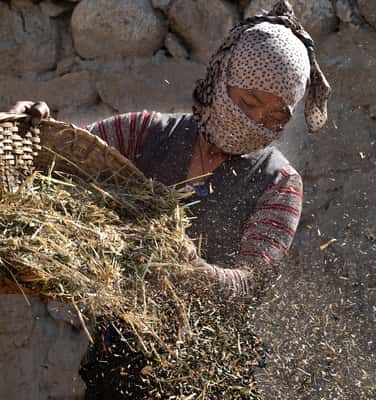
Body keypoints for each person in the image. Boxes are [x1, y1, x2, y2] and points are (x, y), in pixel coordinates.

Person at [10, 1, 330, 295]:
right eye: (249, 102)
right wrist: (38, 127)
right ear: (221, 78)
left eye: (275, 116)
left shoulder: (279, 183)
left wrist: (196, 271)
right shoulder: (143, 133)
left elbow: (254, 283)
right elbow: (62, 161)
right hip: (119, 340)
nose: (255, 122)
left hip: (210, 353)